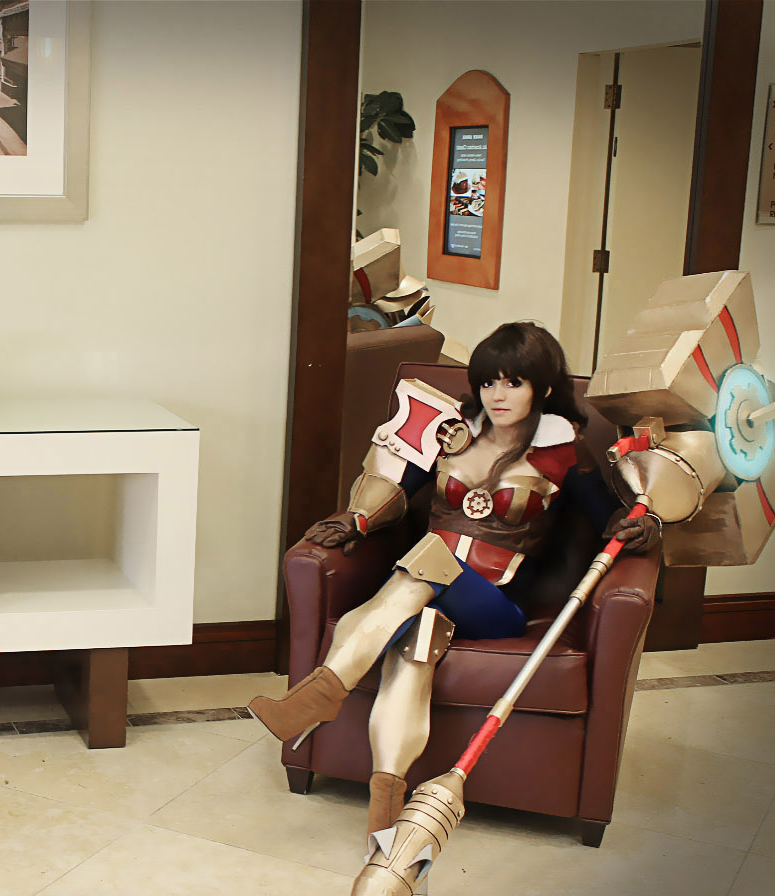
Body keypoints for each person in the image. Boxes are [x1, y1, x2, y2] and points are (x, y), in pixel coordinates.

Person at [248, 322, 659, 834]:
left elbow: (608, 517)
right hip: (426, 597)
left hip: (495, 605)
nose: (497, 395)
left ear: (543, 388)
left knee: (427, 558)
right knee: (414, 648)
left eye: (513, 383)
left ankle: (320, 693)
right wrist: (356, 521)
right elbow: (397, 488)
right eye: (488, 382)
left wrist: (639, 522)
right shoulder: (450, 433)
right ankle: (386, 803)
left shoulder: (563, 449)